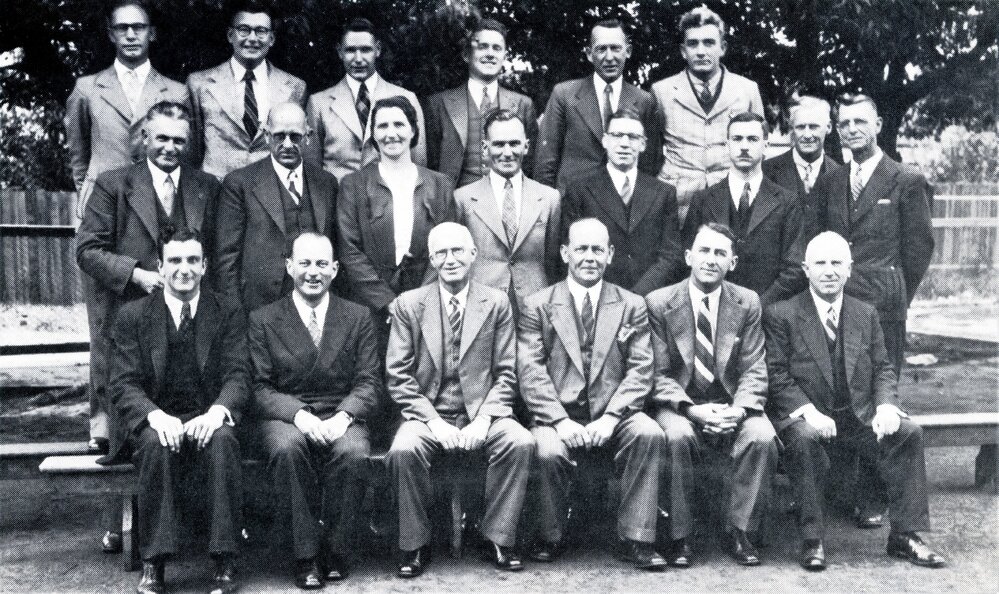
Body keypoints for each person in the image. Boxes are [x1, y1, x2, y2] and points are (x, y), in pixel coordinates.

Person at [764, 231, 946, 571]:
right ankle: (812, 539)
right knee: (803, 439)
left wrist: (886, 406)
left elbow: (883, 367)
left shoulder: (865, 313)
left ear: (850, 269)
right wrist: (808, 413)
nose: (829, 270)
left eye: (837, 263)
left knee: (908, 432)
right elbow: (777, 377)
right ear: (805, 269)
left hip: (857, 416)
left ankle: (905, 535)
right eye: (820, 263)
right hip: (807, 417)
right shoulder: (781, 315)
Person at [64, 0, 188, 459]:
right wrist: (90, 197)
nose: (131, 35)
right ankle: (102, 421)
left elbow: (180, 146)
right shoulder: (87, 88)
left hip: (160, 202)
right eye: (123, 28)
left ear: (151, 33)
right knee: (107, 323)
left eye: (139, 27)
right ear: (111, 34)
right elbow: (80, 157)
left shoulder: (173, 88)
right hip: (109, 208)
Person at [385, 223, 534, 578]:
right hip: (427, 415)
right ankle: (416, 544)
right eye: (440, 253)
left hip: (483, 413)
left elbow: (507, 371)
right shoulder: (410, 304)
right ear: (432, 259)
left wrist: (484, 420)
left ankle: (496, 536)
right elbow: (399, 376)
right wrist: (433, 422)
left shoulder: (496, 302)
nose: (450, 259)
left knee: (520, 441)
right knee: (404, 450)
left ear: (473, 255)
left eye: (457, 251)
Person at [518, 218, 667, 571]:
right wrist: (559, 420)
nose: (589, 257)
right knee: (548, 450)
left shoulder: (631, 304)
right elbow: (530, 370)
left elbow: (641, 369)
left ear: (610, 255)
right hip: (557, 415)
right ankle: (550, 535)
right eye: (581, 249)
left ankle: (637, 537)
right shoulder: (537, 304)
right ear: (565, 253)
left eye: (597, 250)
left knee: (649, 433)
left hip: (614, 413)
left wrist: (613, 417)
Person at [77, 100, 221, 468]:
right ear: (144, 138)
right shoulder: (114, 184)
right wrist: (136, 274)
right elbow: (88, 249)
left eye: (179, 140)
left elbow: (218, 253)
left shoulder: (205, 185)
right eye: (161, 139)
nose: (170, 148)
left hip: (190, 321)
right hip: (136, 318)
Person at [110, 227, 247, 594]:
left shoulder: (227, 311)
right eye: (174, 260)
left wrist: (218, 411)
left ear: (204, 266)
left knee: (223, 440)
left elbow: (238, 374)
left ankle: (223, 558)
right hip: (157, 417)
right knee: (155, 443)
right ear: (160, 265)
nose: (183, 269)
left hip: (206, 415)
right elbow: (123, 383)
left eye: (191, 260)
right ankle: (154, 561)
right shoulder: (133, 315)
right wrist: (154, 416)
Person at [247, 232, 382, 589]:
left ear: (335, 269)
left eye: (322, 264)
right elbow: (259, 387)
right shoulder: (263, 319)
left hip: (340, 410)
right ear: (289, 266)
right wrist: (300, 416)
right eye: (304, 263)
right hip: (287, 414)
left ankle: (337, 551)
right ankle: (304, 555)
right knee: (287, 449)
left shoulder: (357, 316)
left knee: (353, 452)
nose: (313, 272)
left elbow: (369, 381)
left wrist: (344, 416)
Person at [646, 222, 778, 568]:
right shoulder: (659, 303)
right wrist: (691, 410)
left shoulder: (747, 302)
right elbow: (657, 374)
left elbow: (754, 368)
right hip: (680, 404)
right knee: (675, 435)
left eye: (720, 253)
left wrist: (738, 410)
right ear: (689, 257)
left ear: (732, 262)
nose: (711, 260)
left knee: (762, 435)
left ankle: (739, 530)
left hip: (730, 403)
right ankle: (681, 535)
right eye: (703, 251)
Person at [812, 94, 935, 373]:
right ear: (838, 130)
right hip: (838, 302)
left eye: (860, 121)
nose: (852, 129)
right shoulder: (831, 181)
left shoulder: (906, 180)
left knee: (883, 389)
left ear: (878, 125)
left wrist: (896, 288)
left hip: (885, 306)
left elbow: (920, 248)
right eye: (845, 123)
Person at [337, 95, 456, 344]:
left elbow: (447, 247)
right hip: (371, 308)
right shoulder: (353, 185)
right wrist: (388, 303)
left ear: (413, 130)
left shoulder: (440, 184)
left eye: (399, 125)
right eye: (382, 126)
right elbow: (350, 251)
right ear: (373, 135)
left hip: (427, 304)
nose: (391, 134)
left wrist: (419, 301)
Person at [215, 102, 338, 314]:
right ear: (266, 135)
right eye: (279, 136)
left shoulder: (326, 182)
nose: (288, 144)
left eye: (295, 137)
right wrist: (234, 313)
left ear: (308, 136)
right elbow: (227, 257)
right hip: (259, 306)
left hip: (315, 303)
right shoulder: (240, 183)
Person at [651, 5, 764, 222]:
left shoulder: (747, 90)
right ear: (683, 51)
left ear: (723, 47)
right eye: (693, 44)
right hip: (677, 201)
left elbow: (759, 149)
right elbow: (652, 155)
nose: (701, 51)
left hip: (731, 198)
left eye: (709, 43)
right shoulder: (662, 91)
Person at [682, 111, 806, 306]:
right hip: (712, 312)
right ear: (727, 145)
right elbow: (687, 260)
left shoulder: (787, 202)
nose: (744, 146)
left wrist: (758, 306)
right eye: (737, 139)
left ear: (766, 145)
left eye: (753, 139)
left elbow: (794, 269)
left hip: (768, 312)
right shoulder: (703, 200)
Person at [562, 108, 683, 295]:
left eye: (633, 137)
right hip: (597, 297)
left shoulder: (663, 193)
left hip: (648, 298)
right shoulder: (580, 190)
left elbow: (670, 255)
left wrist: (637, 296)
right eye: (617, 135)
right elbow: (570, 251)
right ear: (605, 141)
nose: (624, 144)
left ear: (643, 144)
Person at [534, 18, 662, 192]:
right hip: (573, 203)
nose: (609, 57)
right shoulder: (564, 95)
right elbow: (546, 161)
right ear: (588, 54)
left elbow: (649, 164)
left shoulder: (644, 100)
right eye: (601, 49)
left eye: (616, 48)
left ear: (628, 51)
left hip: (623, 201)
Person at [454, 109, 560, 315]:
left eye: (514, 144)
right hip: (481, 306)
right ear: (485, 148)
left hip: (535, 305)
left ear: (526, 146)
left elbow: (553, 261)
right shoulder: (463, 198)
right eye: (499, 144)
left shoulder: (549, 198)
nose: (507, 152)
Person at [187, 1, 306, 179]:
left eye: (261, 31)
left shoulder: (294, 87)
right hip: (216, 192)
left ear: (271, 39)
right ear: (230, 35)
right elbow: (193, 150)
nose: (252, 38)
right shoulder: (200, 84)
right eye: (244, 29)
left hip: (270, 192)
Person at [306, 17, 426, 181]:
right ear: (339, 52)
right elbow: (311, 171)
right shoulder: (319, 103)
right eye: (350, 50)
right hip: (338, 202)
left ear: (377, 50)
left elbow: (419, 164)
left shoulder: (406, 98)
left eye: (365, 50)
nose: (358, 58)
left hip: (389, 200)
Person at [425, 18, 537, 187]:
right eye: (483, 47)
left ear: (504, 56)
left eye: (497, 48)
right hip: (455, 205)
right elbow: (430, 165)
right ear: (466, 55)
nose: (490, 54)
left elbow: (530, 166)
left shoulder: (523, 104)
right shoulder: (438, 104)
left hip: (506, 204)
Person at [762, 95, 843, 236]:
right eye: (800, 127)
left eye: (813, 127)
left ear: (828, 127)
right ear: (791, 128)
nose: (807, 135)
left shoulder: (841, 175)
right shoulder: (767, 171)